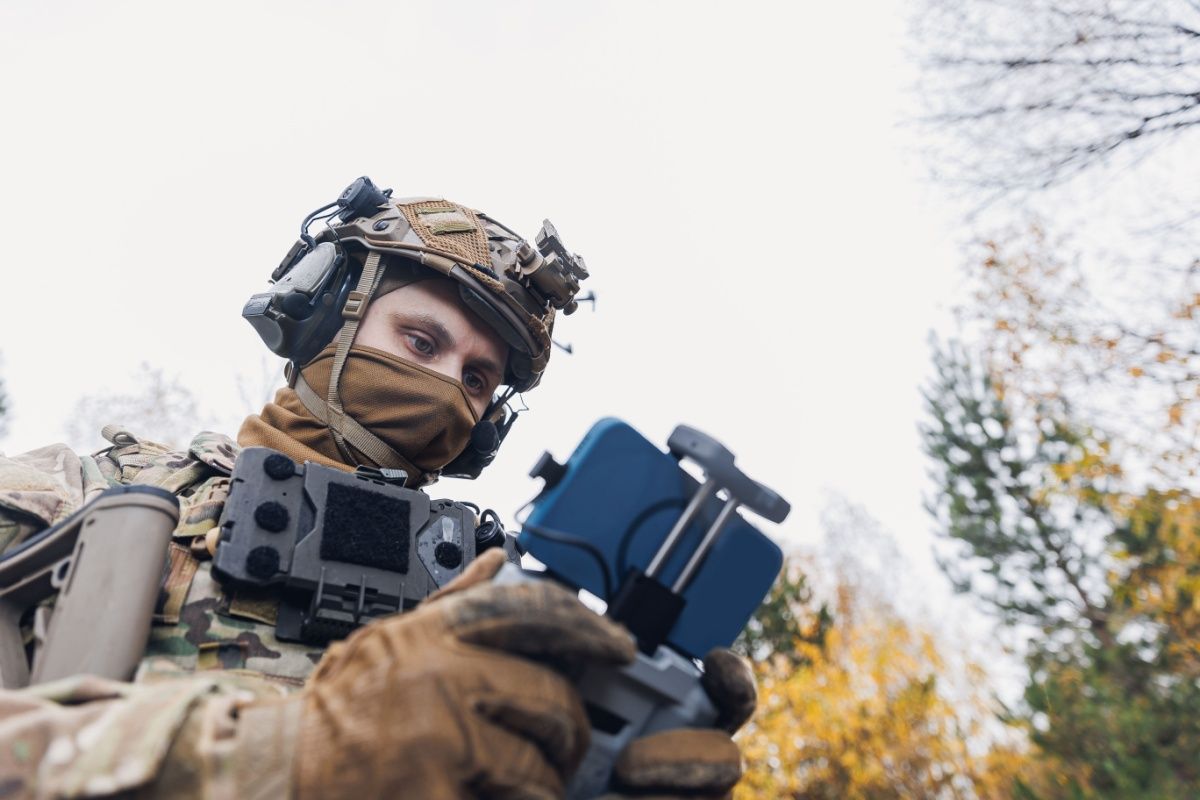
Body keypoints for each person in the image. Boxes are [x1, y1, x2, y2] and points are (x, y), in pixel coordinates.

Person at [0, 180, 755, 799]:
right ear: (325, 316)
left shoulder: (501, 607)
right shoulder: (77, 497)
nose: (447, 392)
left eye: (477, 379)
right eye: (420, 343)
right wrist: (286, 752)